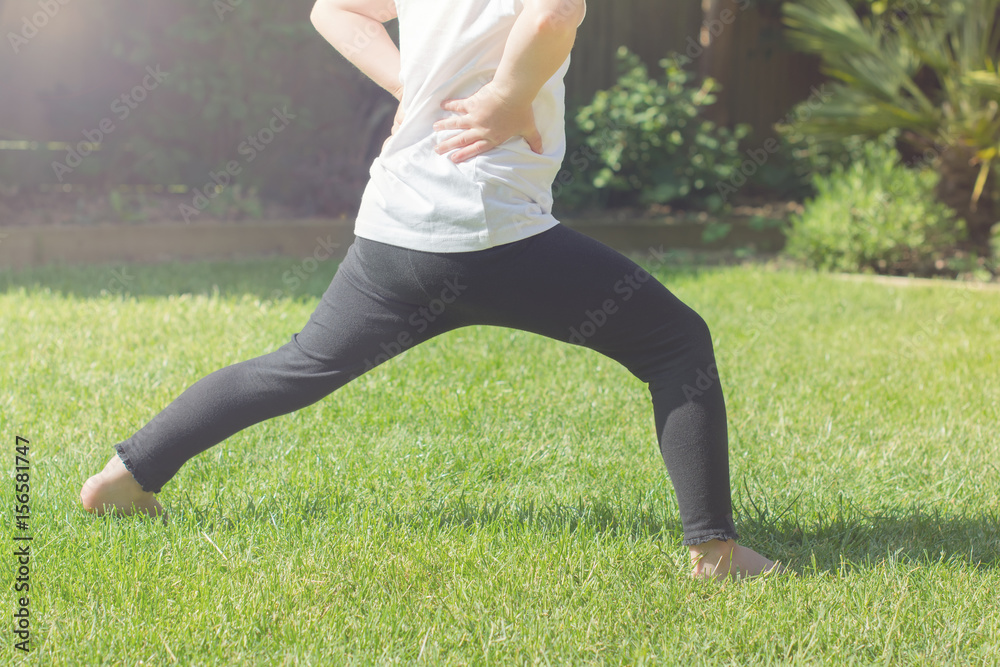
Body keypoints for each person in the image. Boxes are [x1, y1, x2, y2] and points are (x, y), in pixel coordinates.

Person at [80, 0, 780, 581]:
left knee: (296, 364)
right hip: (494, 233)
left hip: (395, 233)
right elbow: (553, 14)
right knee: (675, 342)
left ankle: (126, 475)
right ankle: (715, 554)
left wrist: (412, 86)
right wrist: (505, 97)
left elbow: (334, 10)